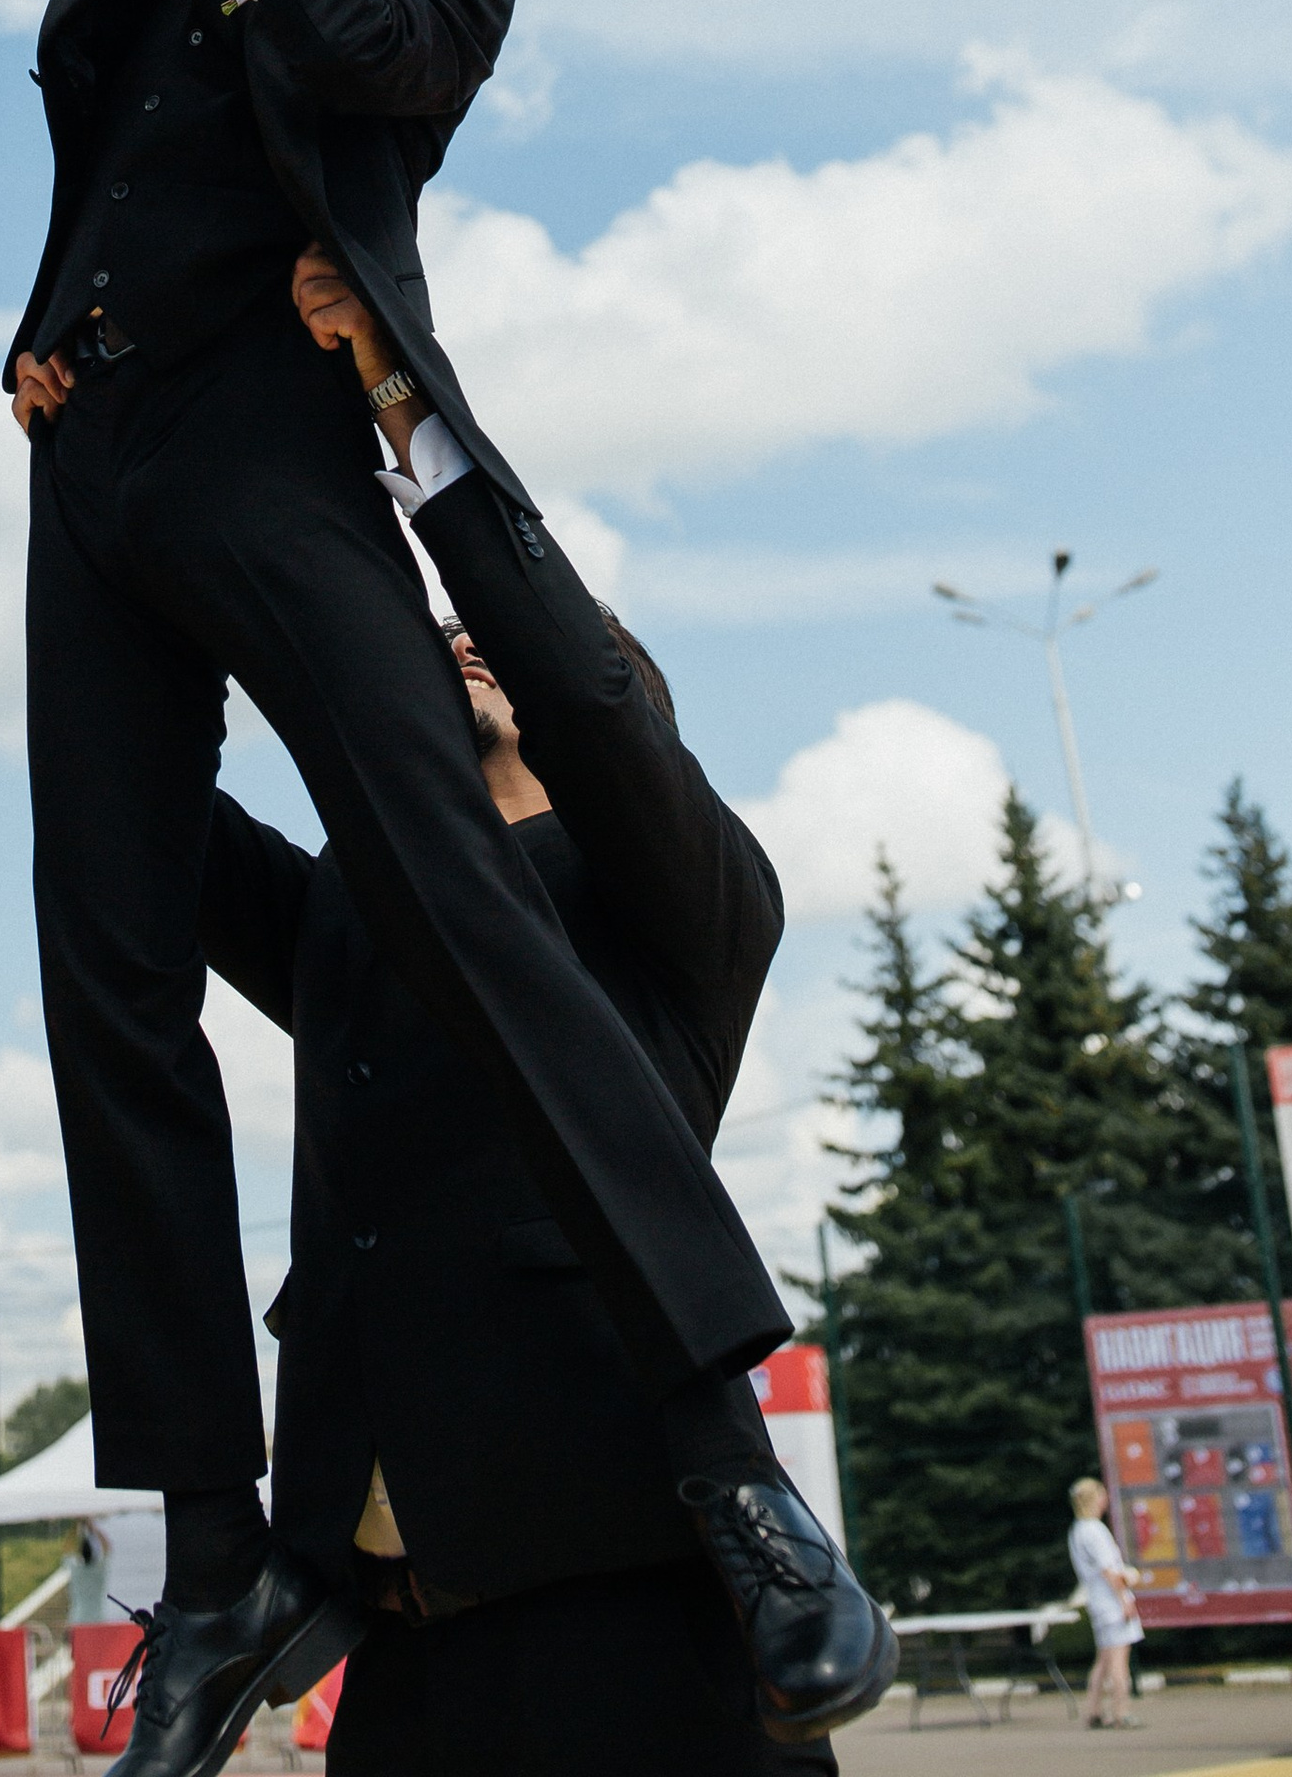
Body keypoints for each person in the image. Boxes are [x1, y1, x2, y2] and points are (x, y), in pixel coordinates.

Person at [6, 0, 820, 1776]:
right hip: (87, 442)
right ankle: (205, 1555)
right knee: (100, 960)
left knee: (448, 884)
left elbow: (364, 59)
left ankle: (716, 1449)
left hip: (278, 438)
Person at [194, 244, 896, 1764]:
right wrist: (104, 468)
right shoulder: (347, 909)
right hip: (405, 1647)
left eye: (499, 643)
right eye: (446, 645)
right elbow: (149, 819)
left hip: (644, 1622)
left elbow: (571, 686)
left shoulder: (685, 912)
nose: (466, 647)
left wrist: (394, 397)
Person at [1067, 1479, 1142, 1728]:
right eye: (1101, 1494)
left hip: (1097, 1601)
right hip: (1111, 1602)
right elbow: (1109, 1570)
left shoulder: (1077, 1530)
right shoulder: (1095, 1530)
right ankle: (1121, 1712)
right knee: (1119, 1660)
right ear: (1093, 1499)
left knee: (1104, 1659)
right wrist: (1124, 1599)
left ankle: (1093, 1710)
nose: (1105, 1499)